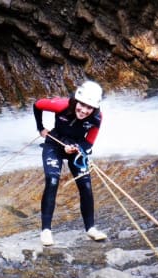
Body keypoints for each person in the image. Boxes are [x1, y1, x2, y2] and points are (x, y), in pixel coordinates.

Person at [33, 80, 107, 246]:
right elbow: (37, 105)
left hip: (75, 149)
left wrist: (77, 148)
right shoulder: (61, 105)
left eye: (89, 108)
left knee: (86, 185)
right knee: (52, 181)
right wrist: (41, 128)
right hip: (54, 144)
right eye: (82, 105)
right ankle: (46, 231)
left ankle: (90, 229)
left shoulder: (97, 117)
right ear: (76, 101)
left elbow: (89, 142)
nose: (84, 111)